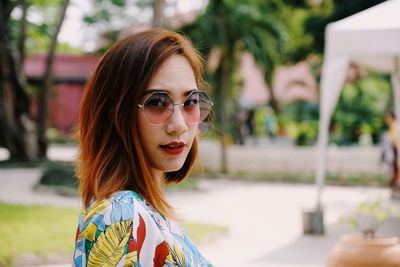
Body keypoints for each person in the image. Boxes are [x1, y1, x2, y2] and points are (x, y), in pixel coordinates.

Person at [72, 29, 214, 267]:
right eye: (157, 102)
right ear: (115, 114)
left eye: (190, 102)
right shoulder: (120, 215)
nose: (179, 125)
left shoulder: (148, 212)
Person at [383, 111, 399, 187]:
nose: (387, 120)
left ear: (392, 118)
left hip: (395, 151)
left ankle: (395, 181)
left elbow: (395, 141)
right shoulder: (393, 127)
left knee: (395, 168)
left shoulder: (395, 127)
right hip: (393, 151)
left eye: (388, 118)